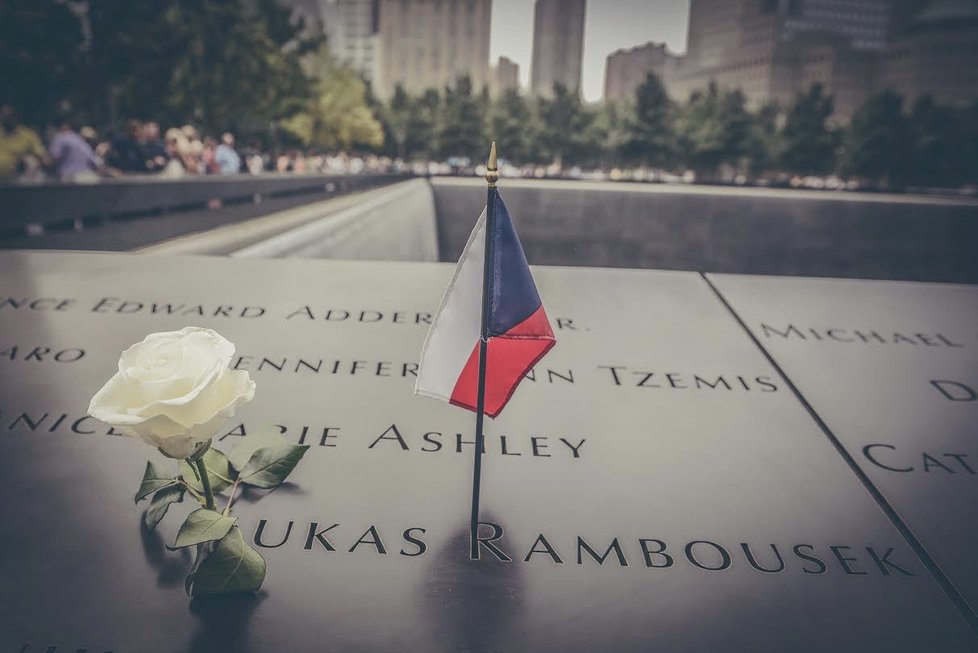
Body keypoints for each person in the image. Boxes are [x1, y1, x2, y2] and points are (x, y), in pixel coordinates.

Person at [0, 105, 47, 180]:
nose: (6, 119)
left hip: (17, 180)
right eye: (3, 116)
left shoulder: (28, 135)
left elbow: (40, 155)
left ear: (16, 117)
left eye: (9, 116)